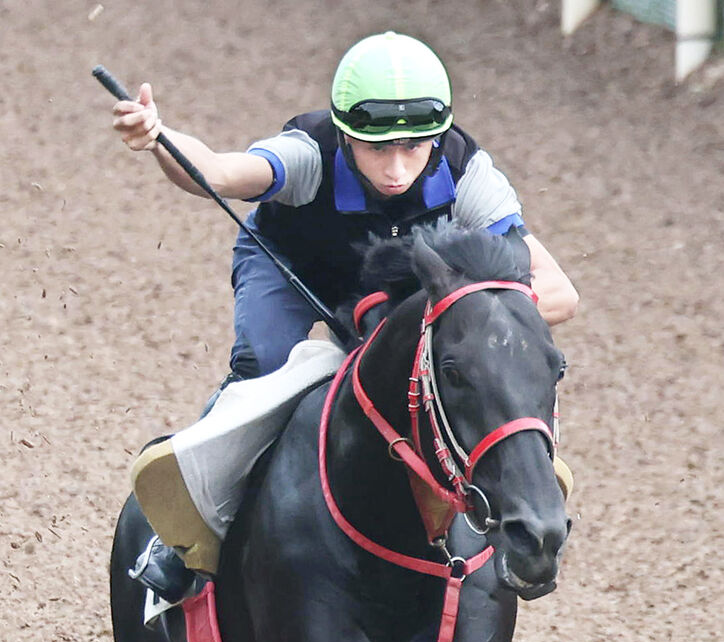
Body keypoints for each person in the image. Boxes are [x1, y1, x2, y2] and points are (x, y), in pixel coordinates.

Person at [111, 31, 579, 602]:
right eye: (377, 148)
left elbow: (561, 293)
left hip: (404, 294)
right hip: (293, 269)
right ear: (344, 135)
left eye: (415, 148)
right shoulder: (308, 152)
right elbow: (216, 172)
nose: (397, 170)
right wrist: (159, 137)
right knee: (265, 362)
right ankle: (183, 532)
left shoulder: (470, 173)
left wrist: (466, 314)